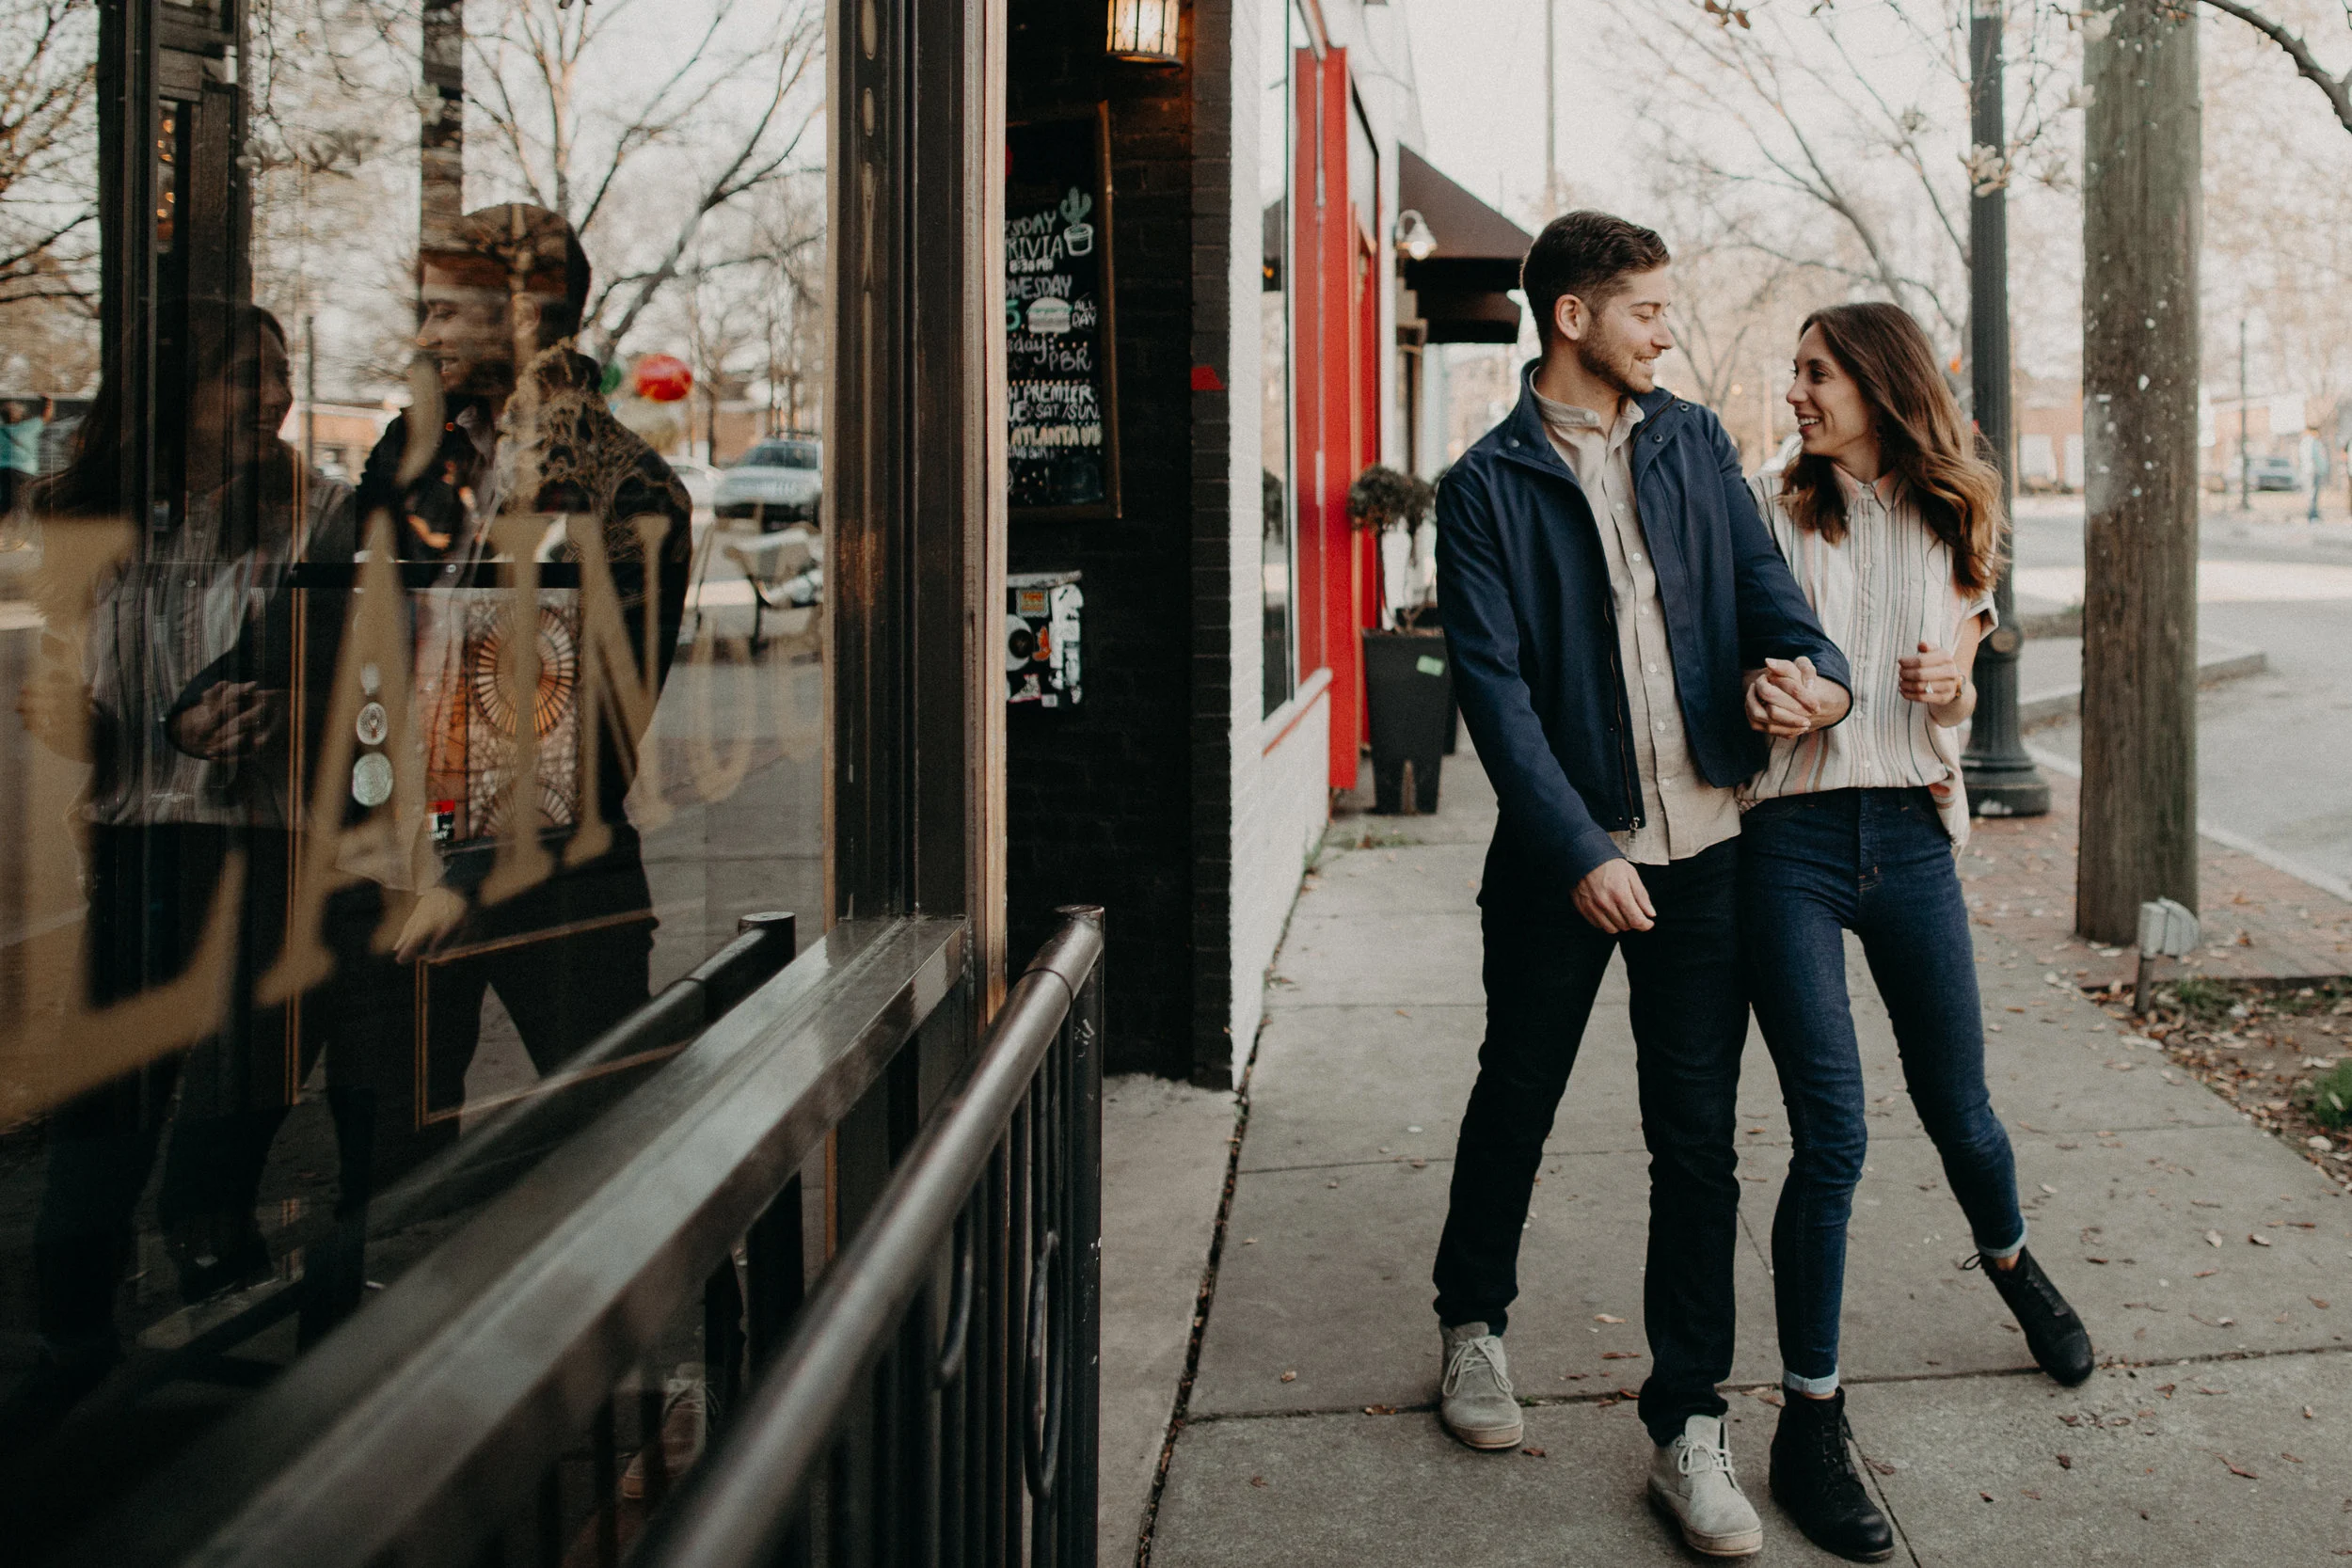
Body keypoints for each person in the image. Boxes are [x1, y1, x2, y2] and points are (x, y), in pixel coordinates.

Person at [1429, 211, 1851, 1560]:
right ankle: (1473, 1325)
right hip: (1569, 859)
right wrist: (1580, 851)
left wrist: (1818, 679)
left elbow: (1770, 598)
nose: (1669, 329)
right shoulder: (1486, 487)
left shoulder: (1693, 441)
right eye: (1649, 310)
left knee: (1698, 1142)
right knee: (1520, 1092)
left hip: (1710, 849)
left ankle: (1687, 1424)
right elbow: (1494, 701)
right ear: (1572, 317)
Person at [1741, 301, 2095, 1561]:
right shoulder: (1773, 513)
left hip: (1912, 836)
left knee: (1962, 1109)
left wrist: (1953, 691)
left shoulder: (1955, 520)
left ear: (1879, 386)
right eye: (1794, 372)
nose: (1797, 392)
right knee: (1833, 1129)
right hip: (1788, 843)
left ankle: (2010, 1260)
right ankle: (1809, 1420)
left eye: (1816, 372)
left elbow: (1957, 672)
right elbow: (1724, 661)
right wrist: (1759, 691)